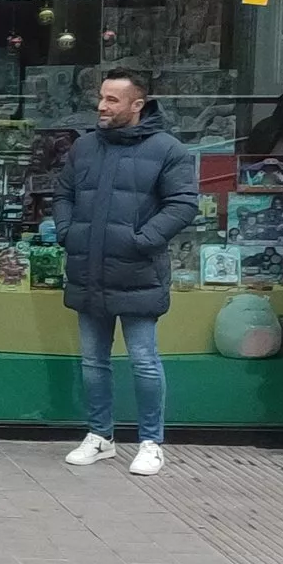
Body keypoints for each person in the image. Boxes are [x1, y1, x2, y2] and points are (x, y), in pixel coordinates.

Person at [56, 70, 199, 476]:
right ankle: (100, 436)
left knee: (144, 360)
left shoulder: (168, 149)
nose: (102, 106)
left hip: (138, 272)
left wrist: (142, 240)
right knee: (93, 362)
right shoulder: (84, 147)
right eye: (101, 98)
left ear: (137, 105)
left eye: (112, 100)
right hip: (89, 268)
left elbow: (183, 203)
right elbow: (63, 193)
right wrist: (68, 233)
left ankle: (151, 442)